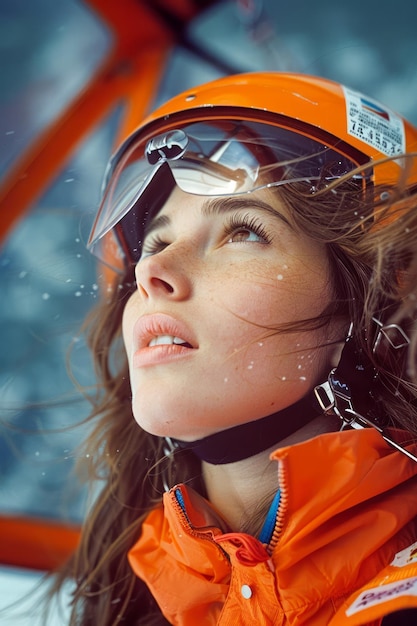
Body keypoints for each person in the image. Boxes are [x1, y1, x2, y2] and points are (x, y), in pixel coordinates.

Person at [52, 72, 417, 625]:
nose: (152, 270)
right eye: (157, 241)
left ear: (368, 303)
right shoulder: (124, 593)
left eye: (243, 231)